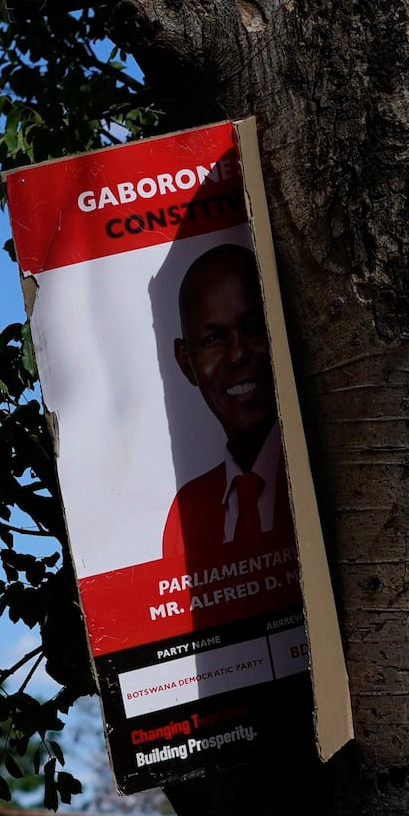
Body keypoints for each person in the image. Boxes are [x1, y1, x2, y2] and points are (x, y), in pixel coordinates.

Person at [162, 243, 301, 583]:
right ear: (186, 363)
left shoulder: (327, 471)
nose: (238, 354)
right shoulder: (187, 515)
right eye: (213, 339)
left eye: (253, 327)